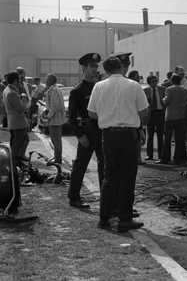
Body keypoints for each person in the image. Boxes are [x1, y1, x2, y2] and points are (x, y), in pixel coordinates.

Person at [88, 56, 149, 232]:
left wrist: (108, 116)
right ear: (122, 67)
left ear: (106, 70)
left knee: (109, 177)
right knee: (127, 178)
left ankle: (104, 218)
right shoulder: (133, 85)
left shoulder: (98, 86)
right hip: (128, 136)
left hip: (108, 135)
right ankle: (124, 219)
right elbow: (144, 110)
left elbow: (92, 113)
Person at [67, 53, 104, 209]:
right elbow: (72, 118)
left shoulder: (100, 87)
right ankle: (74, 197)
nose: (95, 69)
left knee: (105, 166)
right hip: (87, 132)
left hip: (101, 129)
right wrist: (80, 135)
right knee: (81, 165)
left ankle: (106, 197)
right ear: (84, 68)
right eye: (92, 66)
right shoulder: (78, 91)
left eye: (96, 66)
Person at [156, 74, 187, 165]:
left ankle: (165, 158)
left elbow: (167, 101)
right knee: (179, 139)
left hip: (170, 116)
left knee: (167, 138)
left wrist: (163, 100)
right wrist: (186, 110)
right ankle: (178, 158)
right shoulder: (185, 90)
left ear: (172, 81)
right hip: (181, 116)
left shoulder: (169, 89)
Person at [3, 71, 30, 165]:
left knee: (24, 139)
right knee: (17, 142)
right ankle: (14, 160)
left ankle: (20, 156)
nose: (20, 81)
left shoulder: (9, 90)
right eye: (19, 79)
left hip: (15, 121)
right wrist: (24, 99)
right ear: (15, 81)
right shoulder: (12, 93)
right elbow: (21, 108)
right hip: (18, 122)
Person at [143, 75, 166, 161]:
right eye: (153, 82)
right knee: (150, 135)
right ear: (149, 83)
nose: (155, 83)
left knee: (160, 135)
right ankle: (150, 155)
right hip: (150, 113)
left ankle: (161, 155)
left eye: (156, 81)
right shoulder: (145, 91)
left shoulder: (163, 89)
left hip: (160, 113)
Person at [44, 73, 65, 165]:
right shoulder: (55, 89)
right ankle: (56, 156)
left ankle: (57, 159)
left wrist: (49, 116)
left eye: (47, 79)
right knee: (56, 139)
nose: (45, 81)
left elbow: (54, 105)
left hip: (54, 118)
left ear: (51, 80)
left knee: (55, 139)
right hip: (57, 117)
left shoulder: (53, 90)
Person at [127, 69, 145, 165]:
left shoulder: (138, 88)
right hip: (130, 122)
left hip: (137, 120)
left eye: (138, 77)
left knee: (138, 141)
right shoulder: (130, 88)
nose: (137, 79)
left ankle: (138, 157)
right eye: (136, 77)